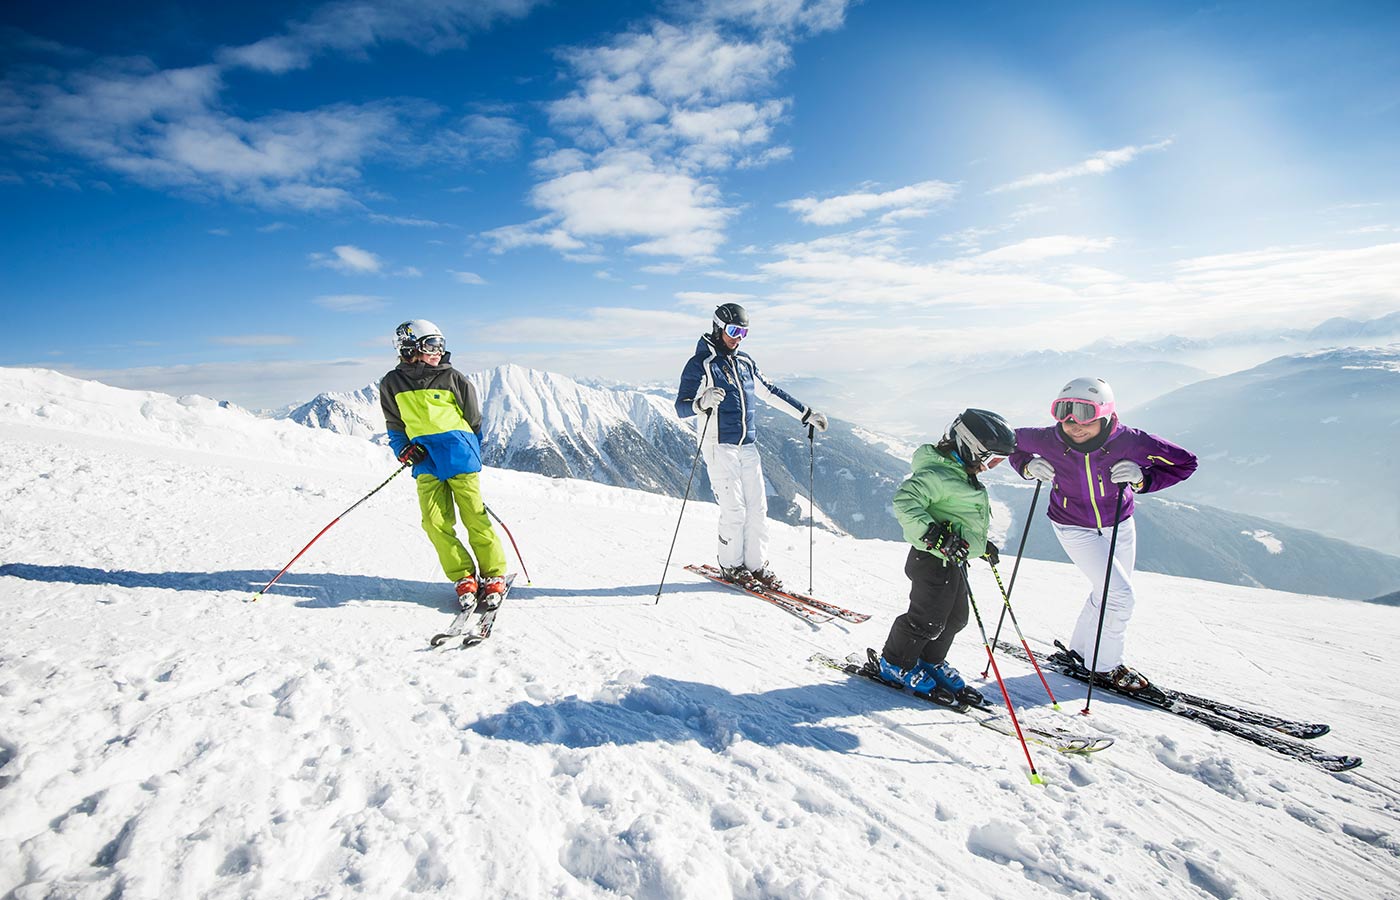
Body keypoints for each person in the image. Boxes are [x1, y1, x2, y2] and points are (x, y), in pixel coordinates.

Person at [1008, 376, 1198, 690]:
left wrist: (1143, 479)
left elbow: (1185, 463)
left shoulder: (1131, 442)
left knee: (1107, 592)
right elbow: (1005, 441)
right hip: (1072, 525)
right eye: (1064, 412)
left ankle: (1082, 653)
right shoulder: (1047, 440)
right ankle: (1106, 668)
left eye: (1085, 413)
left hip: (1120, 523)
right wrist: (1027, 466)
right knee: (1120, 596)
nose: (1073, 424)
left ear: (1106, 413)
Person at [674, 303, 828, 590]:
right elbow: (680, 407)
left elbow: (771, 393)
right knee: (734, 509)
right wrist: (701, 402)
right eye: (734, 331)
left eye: (744, 332)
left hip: (747, 445)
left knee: (758, 508)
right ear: (718, 328)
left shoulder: (744, 362)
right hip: (718, 444)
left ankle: (756, 565)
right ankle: (731, 565)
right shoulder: (700, 364)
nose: (739, 338)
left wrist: (806, 413)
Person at [876, 409, 1017, 706]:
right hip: (930, 560)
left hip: (953, 560)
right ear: (969, 446)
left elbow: (958, 516)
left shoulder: (960, 474)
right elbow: (905, 501)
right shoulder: (936, 474)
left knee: (955, 618)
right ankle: (895, 663)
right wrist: (932, 534)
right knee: (926, 619)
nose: (989, 468)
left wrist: (980, 546)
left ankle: (929, 661)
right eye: (990, 460)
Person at [380, 319, 508, 608]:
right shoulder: (391, 383)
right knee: (434, 522)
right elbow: (394, 423)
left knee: (474, 516)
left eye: (440, 344)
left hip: (459, 457)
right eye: (430, 345)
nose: (438, 352)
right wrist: (404, 449)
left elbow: (473, 420)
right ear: (409, 347)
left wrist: (467, 448)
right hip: (426, 460)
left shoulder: (454, 378)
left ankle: (493, 574)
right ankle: (463, 575)